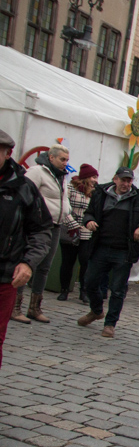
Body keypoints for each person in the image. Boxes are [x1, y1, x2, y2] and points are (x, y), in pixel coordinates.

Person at [77, 167, 139, 339]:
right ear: (115, 179)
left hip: (124, 250)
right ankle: (96, 310)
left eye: (129, 181)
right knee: (89, 282)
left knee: (118, 289)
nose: (126, 184)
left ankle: (110, 324)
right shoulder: (101, 194)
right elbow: (88, 213)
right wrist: (89, 221)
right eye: (123, 180)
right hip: (100, 247)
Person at [0, 129, 53, 368]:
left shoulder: (23, 188)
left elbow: (41, 229)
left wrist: (28, 262)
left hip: (4, 275)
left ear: (7, 153)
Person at [17, 144, 77, 323]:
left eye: (67, 160)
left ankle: (35, 307)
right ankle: (15, 306)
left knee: (44, 267)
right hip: (36, 226)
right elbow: (24, 195)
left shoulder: (61, 177)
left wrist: (70, 221)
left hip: (55, 225)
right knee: (28, 263)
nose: (65, 163)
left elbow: (62, 202)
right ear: (51, 157)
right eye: (62, 159)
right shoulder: (37, 172)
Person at [58, 164, 100, 302]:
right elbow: (65, 208)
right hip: (71, 230)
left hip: (86, 232)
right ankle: (64, 290)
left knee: (85, 262)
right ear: (86, 177)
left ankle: (83, 291)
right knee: (67, 262)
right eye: (93, 177)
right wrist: (73, 225)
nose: (95, 180)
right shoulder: (70, 188)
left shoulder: (95, 192)